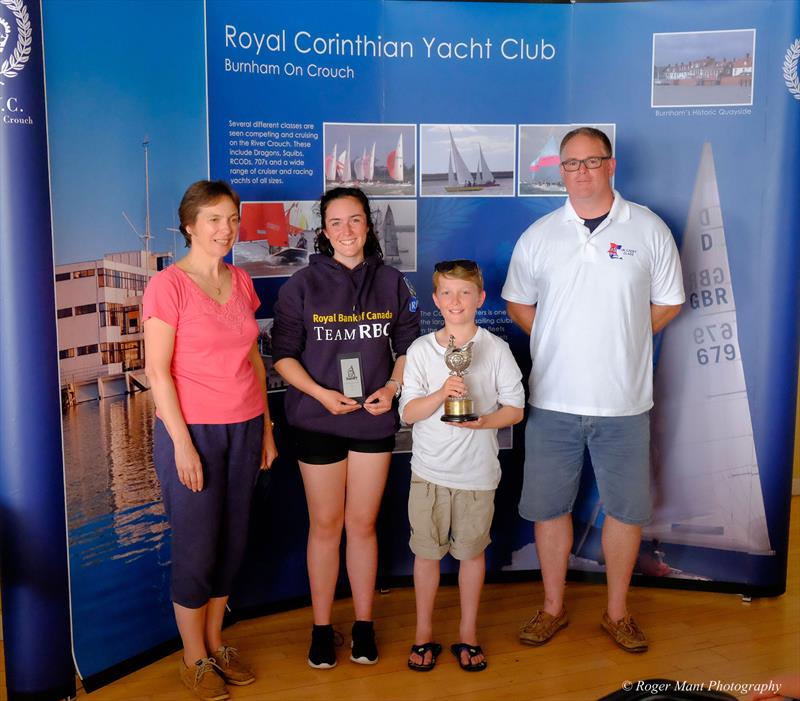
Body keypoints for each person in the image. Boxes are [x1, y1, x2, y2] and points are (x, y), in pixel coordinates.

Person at [502, 127, 684, 653]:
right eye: (570, 164)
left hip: (624, 404)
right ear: (560, 170)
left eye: (591, 161)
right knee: (548, 509)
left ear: (611, 165)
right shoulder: (541, 234)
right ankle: (553, 608)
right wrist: (560, 338)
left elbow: (669, 301)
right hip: (552, 401)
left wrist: (624, 336)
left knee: (626, 512)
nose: (580, 172)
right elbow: (518, 302)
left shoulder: (648, 228)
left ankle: (617, 613)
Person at [271, 186, 419, 669]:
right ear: (324, 230)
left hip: (372, 420)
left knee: (362, 524)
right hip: (318, 420)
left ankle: (363, 625)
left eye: (355, 220)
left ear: (368, 225)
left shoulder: (393, 282)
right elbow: (284, 357)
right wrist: (319, 394)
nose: (347, 231)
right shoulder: (300, 286)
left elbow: (408, 350)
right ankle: (320, 628)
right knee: (326, 525)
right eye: (336, 222)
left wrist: (393, 389)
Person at [144, 180, 277, 700]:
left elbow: (252, 359)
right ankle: (193, 658)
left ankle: (217, 643)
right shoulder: (168, 286)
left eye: (232, 218)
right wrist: (181, 444)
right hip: (193, 432)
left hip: (245, 427)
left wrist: (266, 428)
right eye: (214, 219)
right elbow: (157, 371)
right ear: (190, 226)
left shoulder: (241, 281)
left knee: (233, 542)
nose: (226, 229)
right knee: (197, 549)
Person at [399, 260, 525, 672]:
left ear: (480, 298)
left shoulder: (496, 348)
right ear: (436, 300)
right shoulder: (420, 350)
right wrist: (442, 393)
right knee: (427, 555)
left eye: (465, 293)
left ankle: (468, 633)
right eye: (447, 294)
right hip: (429, 474)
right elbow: (409, 414)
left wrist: (484, 421)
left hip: (477, 475)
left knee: (472, 555)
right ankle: (423, 634)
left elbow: (516, 408)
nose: (456, 301)